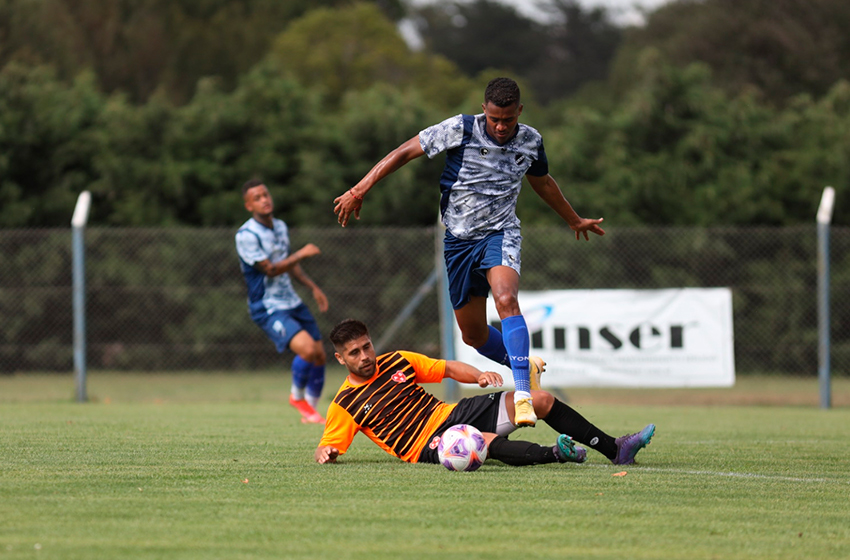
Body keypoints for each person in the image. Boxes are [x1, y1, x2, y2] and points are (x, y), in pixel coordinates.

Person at [333, 77, 605, 428]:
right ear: (484, 110)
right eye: (495, 119)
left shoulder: (531, 141)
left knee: (506, 298)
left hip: (500, 233)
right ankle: (526, 364)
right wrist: (360, 187)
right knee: (474, 335)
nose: (502, 126)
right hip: (459, 242)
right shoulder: (460, 129)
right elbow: (405, 151)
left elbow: (543, 182)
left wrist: (573, 219)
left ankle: (523, 394)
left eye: (508, 119)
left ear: (519, 111)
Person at [315, 319, 655, 468]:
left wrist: (479, 375)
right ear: (341, 358)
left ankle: (616, 449)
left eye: (366, 346)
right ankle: (557, 454)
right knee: (482, 442)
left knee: (540, 401)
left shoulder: (397, 361)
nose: (365, 356)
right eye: (355, 353)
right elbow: (327, 444)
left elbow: (447, 368)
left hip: (452, 414)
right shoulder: (345, 403)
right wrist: (326, 452)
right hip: (426, 445)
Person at [236, 178, 329, 423]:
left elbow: (289, 266)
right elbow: (270, 269)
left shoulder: (280, 227)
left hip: (291, 301)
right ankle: (296, 398)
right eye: (257, 198)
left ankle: (310, 412)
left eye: (265, 194)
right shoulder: (246, 235)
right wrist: (301, 253)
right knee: (307, 349)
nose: (264, 200)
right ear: (249, 206)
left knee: (320, 354)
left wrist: (313, 287)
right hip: (267, 306)